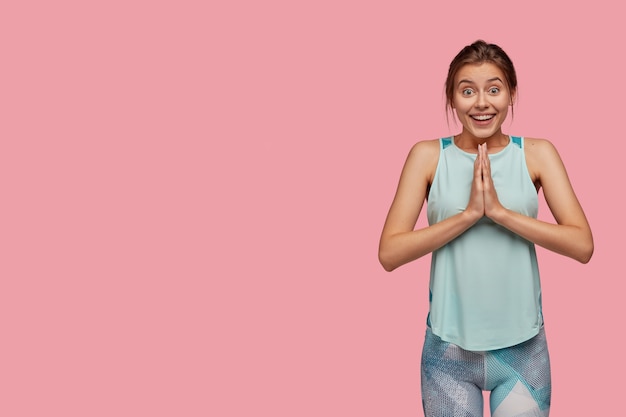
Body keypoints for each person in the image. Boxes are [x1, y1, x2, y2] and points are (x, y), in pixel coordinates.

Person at [378, 40, 593, 417]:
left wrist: (499, 213)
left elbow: (582, 245)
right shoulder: (428, 157)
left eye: (494, 89)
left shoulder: (537, 153)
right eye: (468, 91)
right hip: (448, 352)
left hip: (523, 351)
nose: (481, 103)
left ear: (511, 94)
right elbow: (389, 253)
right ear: (452, 97)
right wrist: (467, 216)